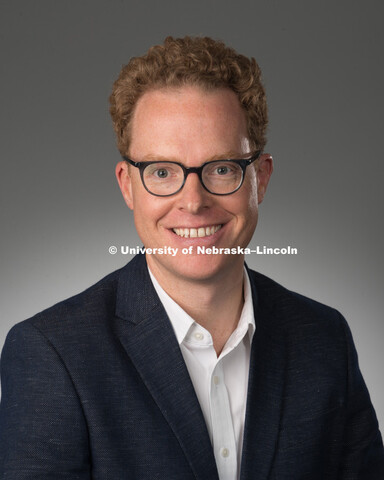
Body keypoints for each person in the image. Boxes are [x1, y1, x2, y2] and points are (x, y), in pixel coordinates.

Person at [0, 36, 383, 480]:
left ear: (260, 178)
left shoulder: (325, 339)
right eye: (162, 172)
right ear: (127, 185)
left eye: (222, 168)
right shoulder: (52, 354)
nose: (194, 201)